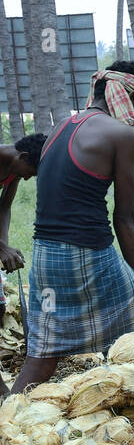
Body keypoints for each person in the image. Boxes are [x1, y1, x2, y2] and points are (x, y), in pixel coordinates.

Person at [5, 62, 134, 397]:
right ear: (126, 97)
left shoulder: (59, 128)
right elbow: (125, 216)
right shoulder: (121, 136)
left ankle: (7, 418)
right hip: (88, 255)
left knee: (42, 358)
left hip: (45, 258)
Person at [0, 134, 48, 321]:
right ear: (23, 157)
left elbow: (4, 207)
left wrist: (4, 245)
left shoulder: (13, 170)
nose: (27, 178)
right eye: (30, 172)